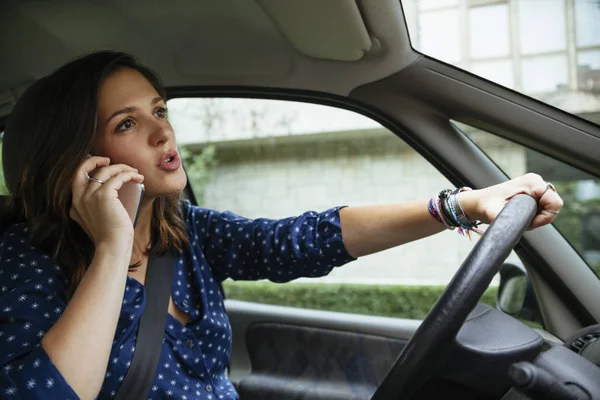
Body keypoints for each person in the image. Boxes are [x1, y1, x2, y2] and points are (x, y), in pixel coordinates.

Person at [0, 51, 563, 400]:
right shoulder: (25, 261)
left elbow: (300, 239)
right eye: (128, 122)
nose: (162, 133)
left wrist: (460, 207)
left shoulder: (185, 232)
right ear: (77, 157)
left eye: (160, 110)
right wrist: (111, 246)